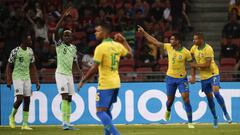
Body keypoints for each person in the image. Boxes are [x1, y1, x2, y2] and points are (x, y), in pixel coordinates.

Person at [78, 22, 133, 135]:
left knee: (100, 112)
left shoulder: (100, 48)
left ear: (104, 33)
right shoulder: (117, 46)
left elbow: (94, 68)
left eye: (97, 31)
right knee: (106, 110)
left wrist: (83, 80)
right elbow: (130, 55)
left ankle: (117, 134)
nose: (95, 33)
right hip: (116, 82)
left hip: (105, 84)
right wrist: (124, 41)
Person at [138, 25, 194, 128]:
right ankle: (168, 109)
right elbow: (154, 41)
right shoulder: (168, 47)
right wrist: (144, 32)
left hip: (182, 78)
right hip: (170, 78)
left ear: (178, 41)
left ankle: (190, 122)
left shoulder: (186, 52)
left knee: (186, 99)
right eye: (170, 39)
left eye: (172, 39)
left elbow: (192, 65)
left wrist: (193, 76)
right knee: (170, 101)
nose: (170, 41)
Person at [189, 33, 232, 128]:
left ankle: (225, 113)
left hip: (213, 73)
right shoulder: (193, 48)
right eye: (193, 39)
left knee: (216, 93)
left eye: (195, 39)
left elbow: (207, 65)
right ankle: (215, 117)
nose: (194, 41)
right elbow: (191, 61)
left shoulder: (208, 49)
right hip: (203, 77)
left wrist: (194, 65)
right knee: (209, 98)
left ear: (201, 39)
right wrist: (192, 76)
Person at [6, 31, 40, 130]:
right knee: (19, 99)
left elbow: (33, 67)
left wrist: (37, 81)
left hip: (27, 78)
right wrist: (8, 80)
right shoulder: (15, 51)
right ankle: (11, 116)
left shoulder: (30, 51)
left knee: (27, 100)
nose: (31, 41)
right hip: (17, 77)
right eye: (29, 39)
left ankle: (24, 124)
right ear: (24, 40)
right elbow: (8, 66)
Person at [53, 8, 80, 130]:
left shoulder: (74, 48)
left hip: (69, 75)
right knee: (64, 96)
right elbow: (54, 31)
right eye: (64, 35)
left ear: (71, 37)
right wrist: (63, 18)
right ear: (62, 37)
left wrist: (80, 72)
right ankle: (63, 122)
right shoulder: (59, 45)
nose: (66, 37)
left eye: (68, 35)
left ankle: (68, 122)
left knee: (69, 98)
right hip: (60, 74)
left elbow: (75, 62)